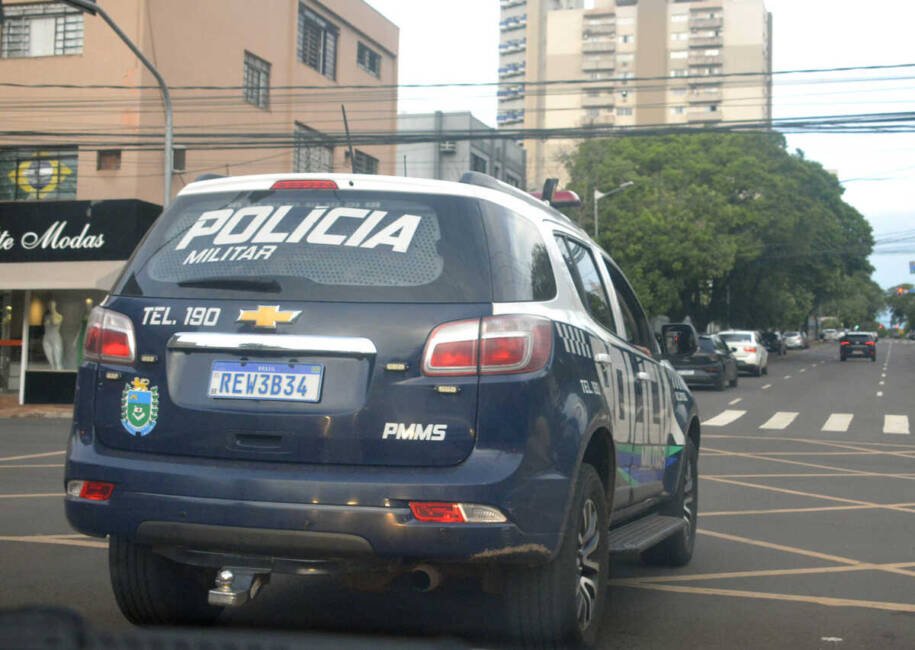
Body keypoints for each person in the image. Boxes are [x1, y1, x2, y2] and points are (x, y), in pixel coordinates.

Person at [42, 299, 64, 370]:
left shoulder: (59, 316)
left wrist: (52, 315)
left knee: (57, 361)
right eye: (49, 305)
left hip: (55, 338)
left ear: (55, 306)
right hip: (47, 337)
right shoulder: (46, 317)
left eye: (52, 305)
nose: (50, 307)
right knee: (51, 362)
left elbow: (55, 322)